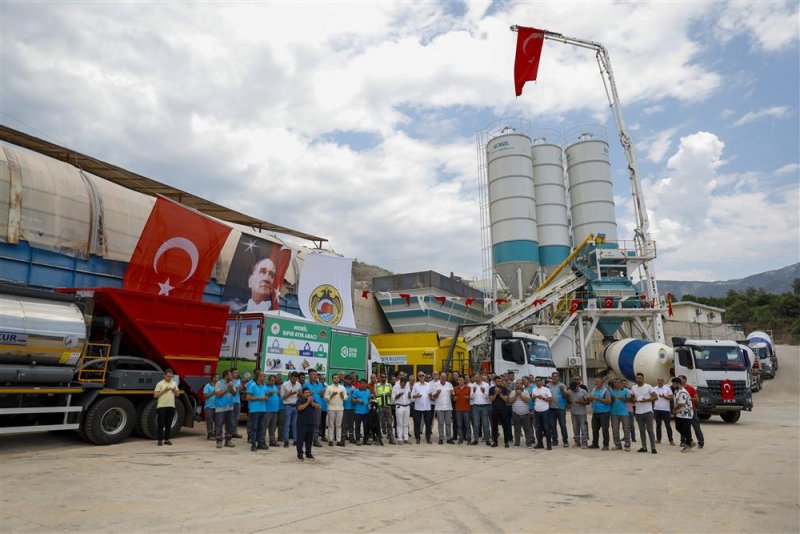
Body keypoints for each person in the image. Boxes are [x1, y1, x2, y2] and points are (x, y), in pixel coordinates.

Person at [631, 372, 658, 454]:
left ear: (643, 378)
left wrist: (645, 400)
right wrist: (634, 400)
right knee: (641, 430)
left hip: (648, 411)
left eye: (640, 378)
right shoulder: (633, 387)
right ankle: (644, 447)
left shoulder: (648, 386)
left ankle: (653, 448)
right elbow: (632, 398)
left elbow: (655, 397)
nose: (638, 379)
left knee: (650, 430)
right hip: (638, 412)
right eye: (637, 378)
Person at [153, 368, 180, 446]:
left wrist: (174, 390)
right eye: (168, 376)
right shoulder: (160, 383)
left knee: (169, 424)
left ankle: (167, 439)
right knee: (161, 423)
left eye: (171, 376)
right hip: (162, 406)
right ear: (164, 375)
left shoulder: (174, 383)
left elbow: (178, 394)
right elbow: (155, 395)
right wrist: (164, 391)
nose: (169, 378)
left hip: (171, 406)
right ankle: (159, 440)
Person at [245, 371, 269, 451]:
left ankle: (260, 444)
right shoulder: (253, 385)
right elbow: (248, 397)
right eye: (263, 376)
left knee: (261, 428)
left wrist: (266, 396)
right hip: (255, 410)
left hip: (263, 409)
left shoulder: (264, 385)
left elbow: (265, 395)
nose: (264, 378)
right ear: (258, 377)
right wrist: (260, 398)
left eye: (264, 376)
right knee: (254, 428)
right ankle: (253, 445)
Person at [680, 375, 705, 449]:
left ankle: (701, 442)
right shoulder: (679, 389)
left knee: (696, 427)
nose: (679, 381)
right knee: (683, 427)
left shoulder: (691, 388)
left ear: (685, 380)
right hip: (682, 410)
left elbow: (697, 399)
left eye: (680, 379)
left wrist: (688, 398)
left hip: (691, 410)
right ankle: (684, 441)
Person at [214, 370, 237, 448]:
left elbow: (234, 394)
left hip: (230, 408)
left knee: (231, 424)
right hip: (220, 408)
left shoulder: (231, 383)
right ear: (226, 376)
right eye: (230, 375)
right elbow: (218, 394)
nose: (232, 376)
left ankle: (228, 441)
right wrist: (227, 389)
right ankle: (219, 441)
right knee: (219, 425)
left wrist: (231, 389)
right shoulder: (218, 383)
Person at [295, 387, 320, 461]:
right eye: (306, 393)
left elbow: (318, 406)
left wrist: (312, 403)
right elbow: (299, 408)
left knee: (309, 440)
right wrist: (308, 403)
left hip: (311, 423)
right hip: (302, 424)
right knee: (300, 440)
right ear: (302, 394)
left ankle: (308, 454)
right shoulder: (300, 400)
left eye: (309, 392)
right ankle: (300, 455)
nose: (308, 394)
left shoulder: (312, 400)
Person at [671, 377, 695, 452]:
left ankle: (688, 445)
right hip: (679, 413)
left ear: (678, 384)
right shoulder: (676, 391)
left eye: (674, 384)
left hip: (686, 413)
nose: (673, 386)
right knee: (678, 427)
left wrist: (674, 410)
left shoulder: (683, 392)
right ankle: (690, 440)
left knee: (686, 429)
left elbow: (681, 404)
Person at [431, 372, 455, 444]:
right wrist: (437, 393)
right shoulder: (435, 385)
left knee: (448, 423)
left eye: (444, 378)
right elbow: (433, 397)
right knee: (440, 423)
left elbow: (453, 397)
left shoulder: (449, 385)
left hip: (448, 407)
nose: (443, 379)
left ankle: (449, 438)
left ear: (446, 378)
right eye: (442, 378)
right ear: (440, 377)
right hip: (439, 407)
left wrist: (452, 394)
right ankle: (441, 438)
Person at [547, 371, 570, 447]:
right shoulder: (548, 385)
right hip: (551, 408)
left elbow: (566, 397)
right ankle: (555, 440)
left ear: (558, 378)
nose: (554, 378)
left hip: (560, 408)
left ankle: (565, 441)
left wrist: (562, 391)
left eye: (556, 376)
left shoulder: (562, 385)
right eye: (553, 376)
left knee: (562, 425)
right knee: (552, 425)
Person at [324, 374, 348, 446]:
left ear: (339, 379)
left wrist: (342, 395)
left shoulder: (342, 387)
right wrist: (332, 395)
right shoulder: (329, 387)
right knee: (331, 425)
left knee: (338, 425)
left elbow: (346, 397)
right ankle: (330, 440)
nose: (336, 379)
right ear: (332, 379)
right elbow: (325, 397)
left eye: (337, 378)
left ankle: (338, 440)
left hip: (340, 408)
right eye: (334, 378)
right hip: (331, 408)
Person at [589, 377, 612, 450]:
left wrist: (597, 399)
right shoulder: (593, 390)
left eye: (597, 382)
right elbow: (592, 399)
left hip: (604, 413)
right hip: (595, 412)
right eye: (595, 381)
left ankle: (606, 445)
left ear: (602, 383)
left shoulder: (606, 391)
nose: (595, 383)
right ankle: (595, 444)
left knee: (604, 429)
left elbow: (609, 401)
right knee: (594, 429)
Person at [304, 370, 326, 447]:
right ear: (309, 376)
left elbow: (322, 397)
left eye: (316, 375)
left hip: (317, 407)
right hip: (308, 407)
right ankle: (307, 439)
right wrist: (309, 394)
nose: (315, 376)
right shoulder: (306, 385)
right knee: (308, 423)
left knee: (316, 424)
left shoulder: (320, 385)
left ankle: (315, 440)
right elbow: (303, 396)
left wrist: (322, 393)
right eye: (313, 374)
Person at [609, 378, 632, 451]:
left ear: (621, 383)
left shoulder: (625, 391)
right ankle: (618, 445)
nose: (616, 384)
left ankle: (627, 445)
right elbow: (609, 401)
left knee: (626, 429)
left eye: (618, 382)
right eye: (615, 382)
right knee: (615, 429)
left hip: (624, 413)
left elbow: (630, 400)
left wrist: (624, 399)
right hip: (614, 413)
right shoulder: (610, 391)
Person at [509, 381, 533, 448]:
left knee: (527, 429)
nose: (518, 385)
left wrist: (521, 395)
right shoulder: (512, 392)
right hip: (515, 413)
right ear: (515, 385)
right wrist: (516, 395)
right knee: (517, 429)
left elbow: (527, 401)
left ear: (522, 385)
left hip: (525, 413)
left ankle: (528, 443)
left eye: (520, 383)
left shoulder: (525, 392)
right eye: (517, 383)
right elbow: (510, 401)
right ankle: (517, 443)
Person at [530, 377, 552, 450]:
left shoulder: (546, 389)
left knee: (546, 428)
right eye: (536, 381)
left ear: (542, 382)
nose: (537, 382)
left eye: (538, 380)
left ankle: (549, 445)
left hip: (545, 411)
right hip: (537, 411)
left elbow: (550, 399)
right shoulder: (534, 389)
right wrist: (534, 397)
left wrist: (543, 398)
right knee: (538, 428)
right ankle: (540, 444)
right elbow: (533, 400)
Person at [412, 372, 434, 444]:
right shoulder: (415, 385)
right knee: (417, 423)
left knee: (428, 423)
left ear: (424, 376)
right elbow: (412, 396)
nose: (421, 377)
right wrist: (416, 396)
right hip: (418, 407)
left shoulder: (429, 385)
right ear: (418, 377)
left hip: (427, 407)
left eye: (422, 375)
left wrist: (431, 395)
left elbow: (432, 395)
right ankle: (418, 438)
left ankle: (428, 438)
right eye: (419, 376)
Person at [489, 377, 511, 448]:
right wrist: (495, 393)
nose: (500, 382)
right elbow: (491, 400)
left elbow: (506, 400)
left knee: (505, 426)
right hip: (494, 410)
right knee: (494, 426)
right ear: (495, 382)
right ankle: (495, 442)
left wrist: (500, 395)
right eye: (498, 381)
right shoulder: (491, 389)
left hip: (503, 410)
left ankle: (506, 442)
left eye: (500, 381)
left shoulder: (504, 389)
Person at [568, 376, 589, 448]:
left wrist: (581, 402)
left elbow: (588, 402)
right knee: (575, 428)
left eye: (575, 388)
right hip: (573, 413)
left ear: (578, 386)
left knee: (583, 428)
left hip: (582, 413)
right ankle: (577, 442)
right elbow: (568, 400)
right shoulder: (569, 391)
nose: (573, 390)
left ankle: (584, 442)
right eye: (572, 389)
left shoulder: (583, 391)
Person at [280, 372, 301, 448]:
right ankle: (286, 441)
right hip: (287, 406)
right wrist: (290, 394)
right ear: (290, 377)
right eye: (293, 378)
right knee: (287, 424)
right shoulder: (284, 385)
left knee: (295, 424)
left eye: (296, 378)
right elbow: (282, 397)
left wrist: (300, 395)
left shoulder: (298, 384)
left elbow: (300, 395)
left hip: (295, 406)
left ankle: (295, 440)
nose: (295, 380)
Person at [374, 375, 396, 444]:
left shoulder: (389, 385)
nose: (383, 378)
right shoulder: (376, 385)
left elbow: (392, 395)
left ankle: (391, 438)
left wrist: (389, 394)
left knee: (389, 423)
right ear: (380, 378)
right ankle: (378, 438)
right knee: (378, 423)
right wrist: (385, 394)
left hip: (388, 406)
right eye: (382, 377)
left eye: (385, 377)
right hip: (380, 406)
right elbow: (376, 394)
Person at [653, 377, 676, 446]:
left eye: (661, 380)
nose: (660, 382)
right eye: (659, 380)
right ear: (657, 381)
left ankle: (671, 440)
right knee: (658, 425)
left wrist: (664, 396)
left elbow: (672, 398)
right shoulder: (654, 388)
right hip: (657, 409)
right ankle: (658, 439)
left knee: (668, 425)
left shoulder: (667, 388)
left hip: (665, 410)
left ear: (663, 381)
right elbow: (652, 397)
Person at [470, 374, 491, 446]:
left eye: (476, 377)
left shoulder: (486, 385)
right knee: (476, 424)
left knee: (485, 424)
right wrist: (474, 391)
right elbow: (471, 397)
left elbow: (487, 396)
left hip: (485, 406)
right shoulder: (472, 385)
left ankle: (487, 439)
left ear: (480, 377)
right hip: (475, 406)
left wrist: (483, 392)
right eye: (474, 377)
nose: (475, 378)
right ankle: (476, 439)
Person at [392, 376, 412, 444]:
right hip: (399, 406)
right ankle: (400, 438)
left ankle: (406, 438)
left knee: (406, 423)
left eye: (405, 383)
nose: (404, 385)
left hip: (407, 406)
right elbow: (393, 399)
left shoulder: (407, 386)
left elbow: (410, 398)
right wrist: (399, 395)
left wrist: (410, 395)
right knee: (399, 423)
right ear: (400, 382)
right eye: (403, 383)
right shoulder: (395, 387)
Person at [351, 381, 371, 445]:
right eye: (362, 384)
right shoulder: (356, 391)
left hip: (366, 412)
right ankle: (358, 440)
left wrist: (370, 402)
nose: (363, 385)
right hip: (358, 412)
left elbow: (369, 399)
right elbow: (352, 400)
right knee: (357, 427)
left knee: (366, 427)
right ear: (360, 384)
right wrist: (358, 400)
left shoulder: (368, 391)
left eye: (365, 384)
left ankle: (365, 440)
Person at [453, 376, 472, 444]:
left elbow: (472, 397)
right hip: (458, 409)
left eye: (461, 379)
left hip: (466, 409)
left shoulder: (469, 388)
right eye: (459, 380)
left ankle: (469, 438)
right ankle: (460, 438)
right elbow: (454, 398)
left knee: (467, 425)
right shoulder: (455, 388)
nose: (460, 381)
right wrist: (454, 398)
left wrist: (469, 397)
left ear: (464, 381)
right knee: (459, 425)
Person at [264, 374, 281, 447]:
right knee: (264, 426)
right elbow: (262, 397)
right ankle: (262, 441)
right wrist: (268, 394)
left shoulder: (275, 387)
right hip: (267, 410)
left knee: (273, 427)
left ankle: (272, 441)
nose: (273, 382)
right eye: (272, 380)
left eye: (274, 381)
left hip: (275, 410)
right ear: (268, 380)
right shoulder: (265, 387)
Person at [202, 374, 218, 440]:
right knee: (209, 421)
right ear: (213, 378)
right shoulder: (207, 386)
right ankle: (210, 435)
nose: (219, 378)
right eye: (217, 377)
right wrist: (213, 392)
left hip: (217, 406)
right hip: (209, 407)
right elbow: (205, 396)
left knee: (217, 421)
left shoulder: (219, 386)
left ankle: (216, 434)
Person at [621, 378, 637, 443]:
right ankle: (626, 436)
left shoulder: (630, 391)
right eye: (623, 384)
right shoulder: (619, 391)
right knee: (624, 425)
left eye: (625, 384)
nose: (624, 385)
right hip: (622, 410)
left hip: (630, 410)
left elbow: (634, 400)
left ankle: (633, 437)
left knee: (631, 424)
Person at [342, 376, 357, 444]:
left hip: (352, 408)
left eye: (350, 379)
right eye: (347, 379)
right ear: (344, 380)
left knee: (351, 424)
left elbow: (355, 397)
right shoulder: (342, 387)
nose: (349, 381)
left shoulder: (353, 388)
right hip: (344, 408)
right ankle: (343, 437)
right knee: (344, 424)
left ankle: (351, 438)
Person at [230, 368, 243, 439]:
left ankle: (234, 432)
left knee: (236, 418)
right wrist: (237, 387)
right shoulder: (229, 381)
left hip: (237, 401)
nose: (236, 374)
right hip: (230, 401)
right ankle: (229, 432)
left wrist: (240, 388)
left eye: (237, 372)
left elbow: (239, 389)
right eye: (235, 372)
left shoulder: (238, 380)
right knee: (230, 418)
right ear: (231, 373)